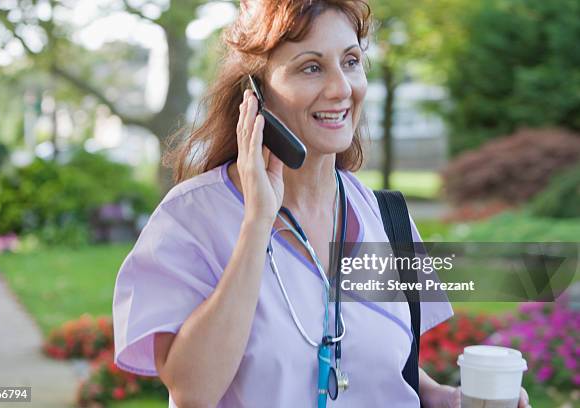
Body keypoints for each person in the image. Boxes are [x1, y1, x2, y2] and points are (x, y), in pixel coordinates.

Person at [113, 1, 531, 407]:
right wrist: (258, 222)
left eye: (350, 61)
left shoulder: (386, 218)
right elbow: (193, 392)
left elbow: (379, 360)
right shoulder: (192, 218)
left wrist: (437, 396)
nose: (341, 88)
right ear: (256, 95)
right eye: (311, 67)